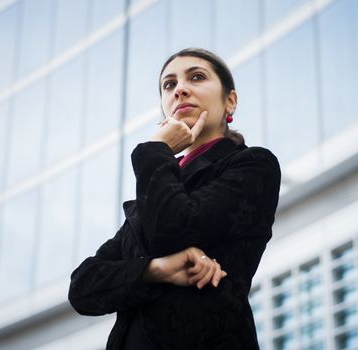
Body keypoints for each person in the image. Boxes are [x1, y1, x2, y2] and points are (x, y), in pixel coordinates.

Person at [68, 48, 281, 350]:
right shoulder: (157, 187)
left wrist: (156, 150)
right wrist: (155, 269)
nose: (179, 89)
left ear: (229, 101)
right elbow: (83, 288)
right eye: (169, 85)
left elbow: (175, 231)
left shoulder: (253, 165)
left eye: (196, 77)